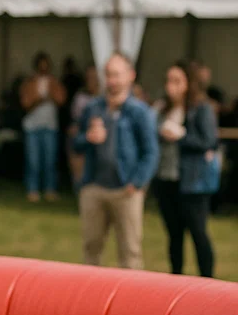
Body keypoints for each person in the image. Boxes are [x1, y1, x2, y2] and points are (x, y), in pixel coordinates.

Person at [73, 52, 158, 269]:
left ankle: (132, 301)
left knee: (130, 252)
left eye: (117, 75)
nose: (112, 80)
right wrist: (88, 138)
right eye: (108, 75)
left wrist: (137, 183)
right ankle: (90, 298)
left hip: (125, 190)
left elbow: (151, 152)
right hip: (94, 187)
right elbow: (76, 143)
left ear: (130, 76)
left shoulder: (140, 112)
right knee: (91, 249)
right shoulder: (94, 108)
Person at [152, 63, 218, 278]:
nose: (171, 86)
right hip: (166, 179)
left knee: (198, 233)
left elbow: (209, 141)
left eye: (177, 81)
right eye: (168, 80)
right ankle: (176, 279)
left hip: (192, 182)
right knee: (174, 234)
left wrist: (181, 136)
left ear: (188, 83)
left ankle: (207, 281)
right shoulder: (162, 109)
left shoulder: (201, 108)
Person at [19, 52, 66, 201]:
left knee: (50, 160)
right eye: (41, 65)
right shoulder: (29, 82)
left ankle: (50, 189)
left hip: (50, 126)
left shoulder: (54, 82)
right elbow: (25, 103)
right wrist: (39, 100)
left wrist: (50, 92)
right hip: (32, 127)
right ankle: (32, 189)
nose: (44, 68)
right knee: (33, 160)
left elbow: (61, 99)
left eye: (46, 65)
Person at [67, 64, 99, 190]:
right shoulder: (80, 96)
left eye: (94, 77)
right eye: (89, 77)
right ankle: (80, 188)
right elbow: (75, 118)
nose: (91, 80)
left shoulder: (105, 98)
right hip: (84, 133)